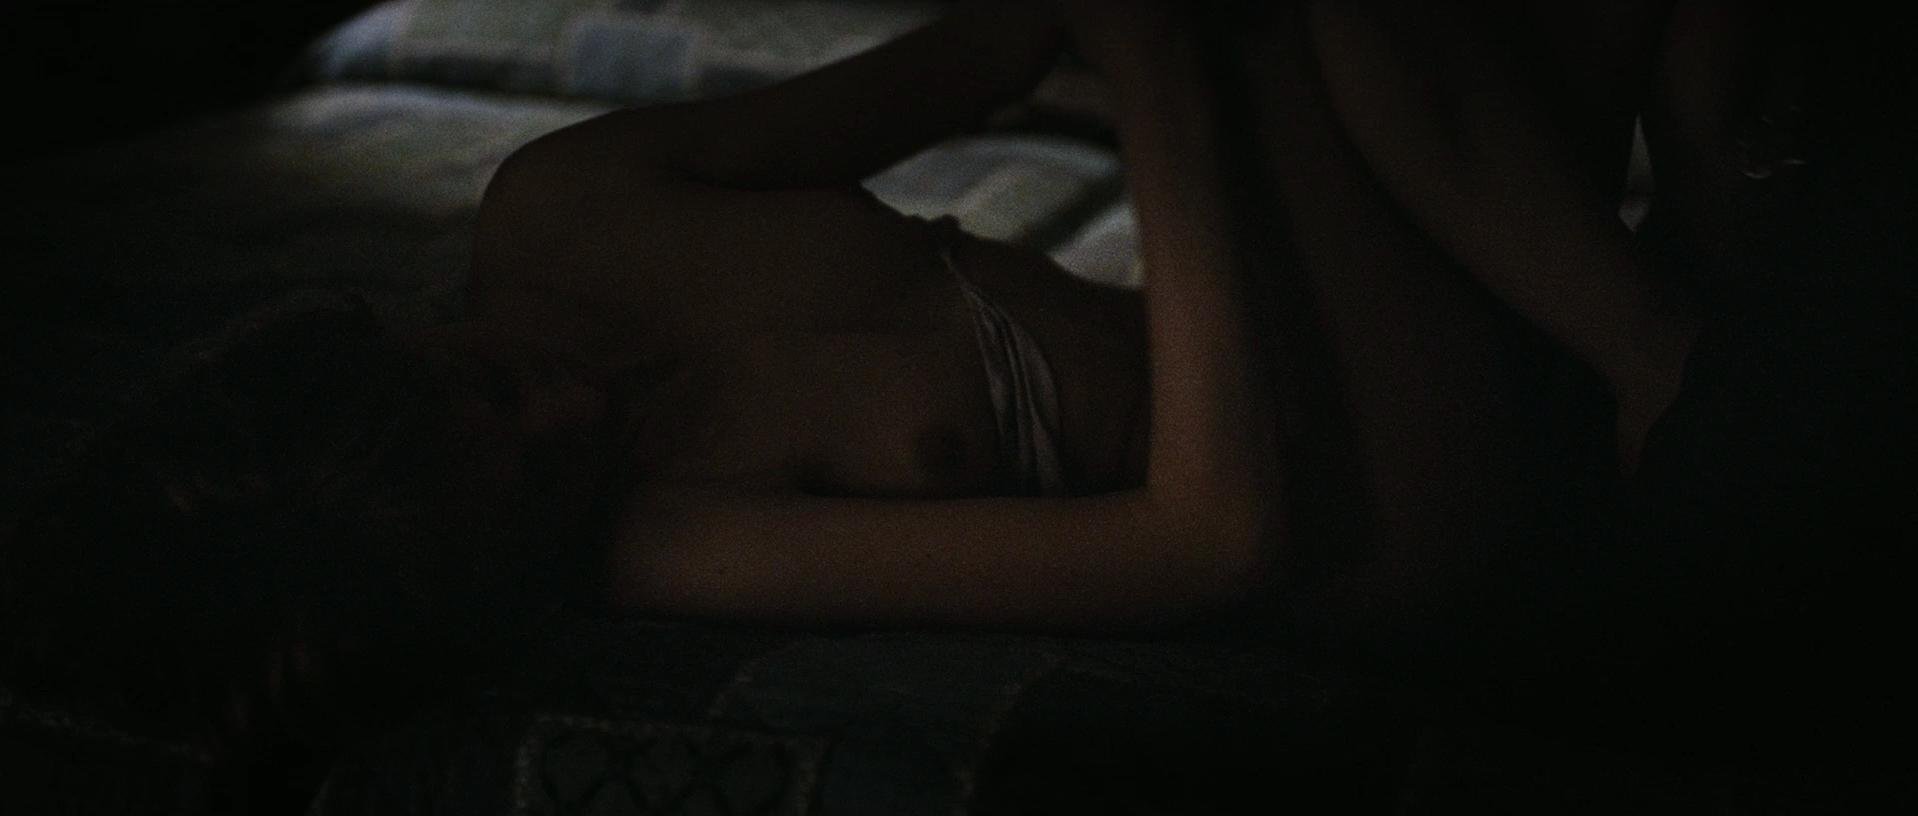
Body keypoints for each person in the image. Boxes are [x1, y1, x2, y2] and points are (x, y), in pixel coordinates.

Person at [12, 0, 1905, 805]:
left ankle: (1699, 223)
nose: (560, 426)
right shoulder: (678, 547)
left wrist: (1107, 25)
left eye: (487, 391)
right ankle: (1666, 360)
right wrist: (1168, 93)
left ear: (385, 328)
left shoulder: (568, 203)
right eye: (523, 491)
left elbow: (992, 50)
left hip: (1361, 332)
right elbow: (1217, 535)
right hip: (1360, 510)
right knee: (1309, 30)